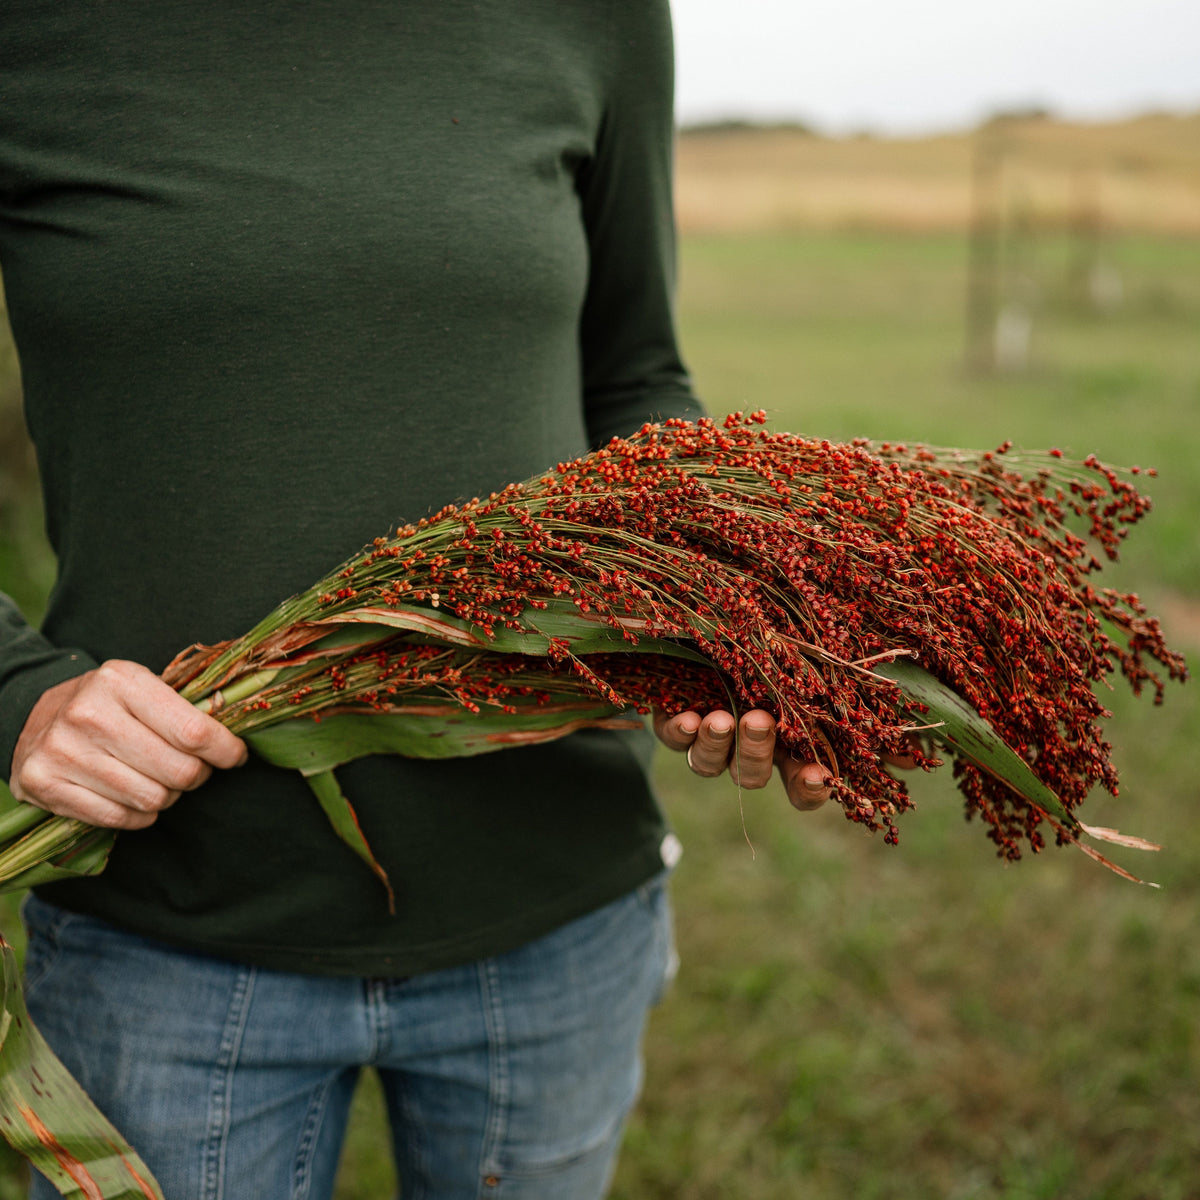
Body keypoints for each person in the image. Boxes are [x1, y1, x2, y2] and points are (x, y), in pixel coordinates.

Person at [0, 3, 832, 1197]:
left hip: (555, 907)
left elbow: (637, 371)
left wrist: (708, 604)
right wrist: (18, 694)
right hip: (170, 926)